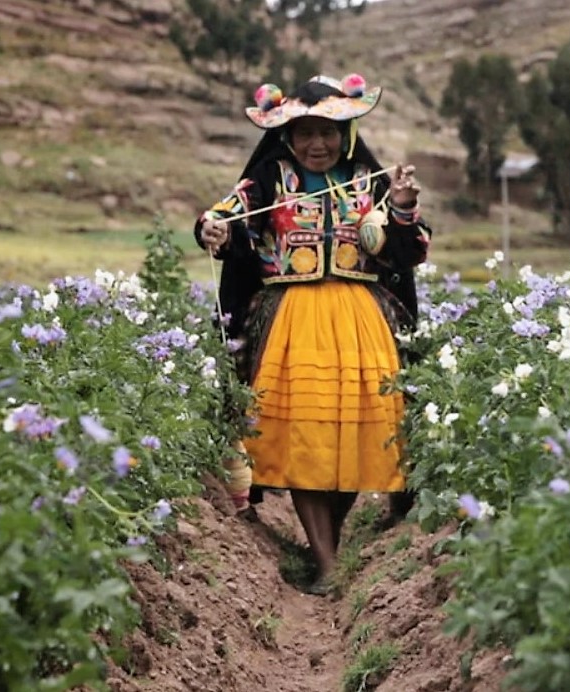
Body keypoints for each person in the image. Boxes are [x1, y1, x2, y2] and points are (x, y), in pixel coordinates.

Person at [194, 74, 431, 595]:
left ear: (346, 133)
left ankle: (331, 538)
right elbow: (222, 218)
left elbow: (409, 250)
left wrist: (405, 208)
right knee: (304, 432)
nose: (316, 144)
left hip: (360, 318)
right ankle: (326, 564)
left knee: (361, 430)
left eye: (328, 132)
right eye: (305, 133)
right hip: (291, 320)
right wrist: (211, 228)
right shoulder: (269, 181)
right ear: (288, 136)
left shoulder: (372, 182)